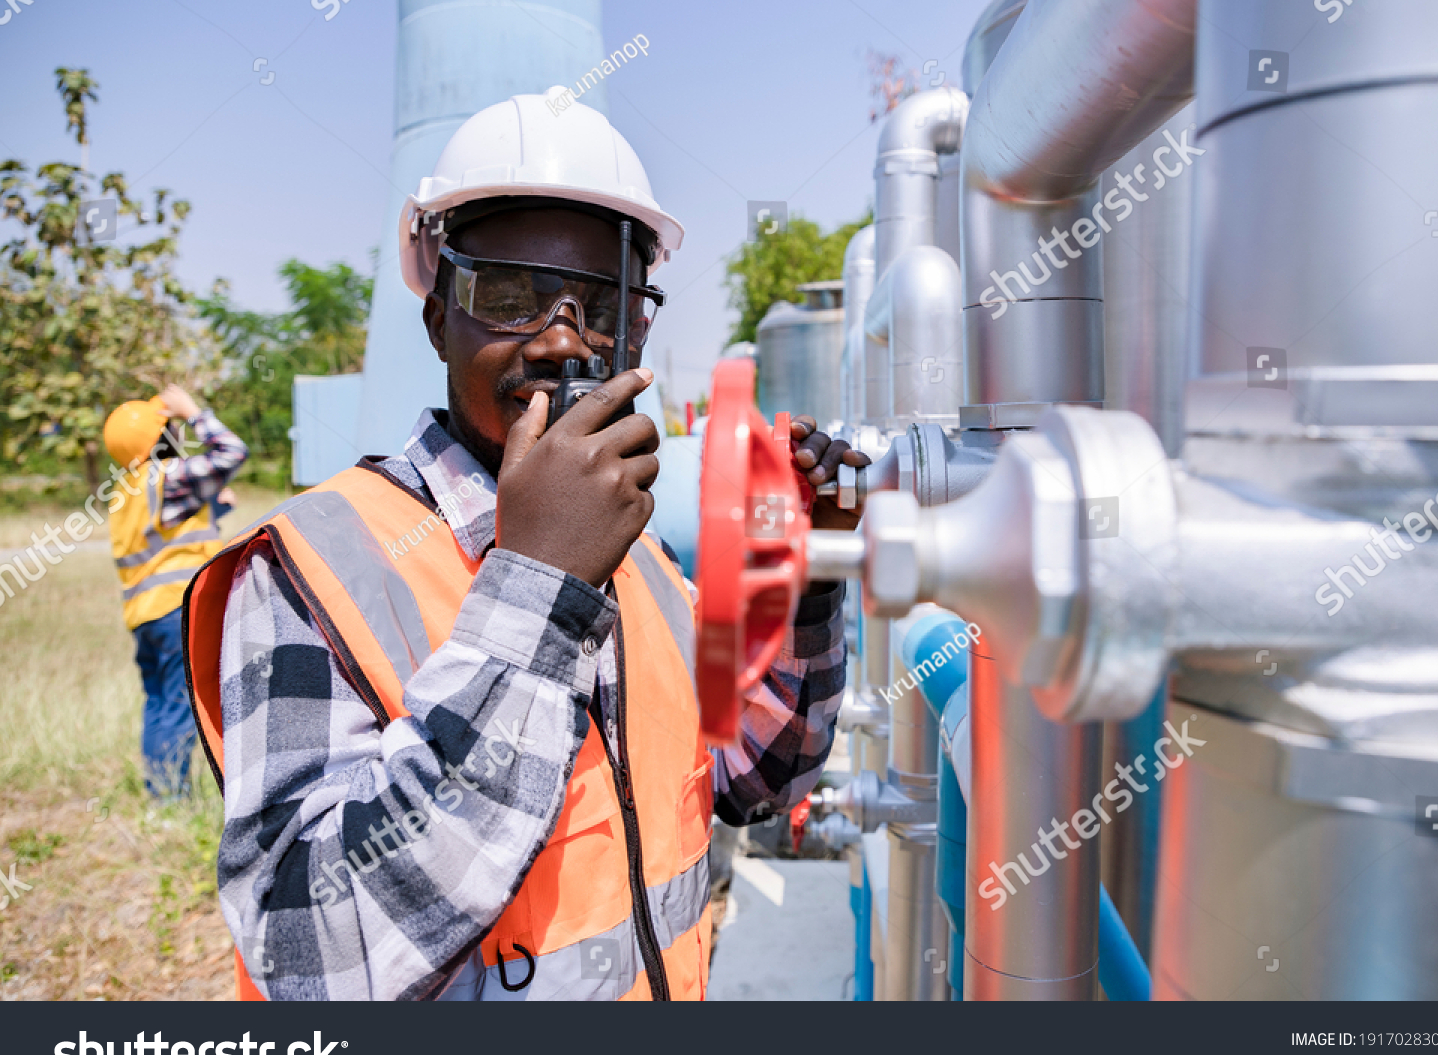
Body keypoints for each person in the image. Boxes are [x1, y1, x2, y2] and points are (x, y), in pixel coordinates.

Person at [182, 90, 867, 1001]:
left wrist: (807, 581)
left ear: (639, 331)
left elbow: (756, 778)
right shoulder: (315, 569)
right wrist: (539, 590)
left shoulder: (645, 566)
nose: (557, 341)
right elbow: (308, 952)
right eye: (509, 296)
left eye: (602, 307)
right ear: (437, 319)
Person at [102, 384, 246, 797]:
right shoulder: (165, 478)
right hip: (174, 611)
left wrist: (216, 506)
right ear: (162, 438)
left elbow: (160, 535)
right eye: (173, 427)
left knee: (160, 705)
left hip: (144, 617)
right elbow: (231, 453)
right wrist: (194, 411)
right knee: (182, 707)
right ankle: (170, 801)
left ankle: (160, 793)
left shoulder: (125, 491)